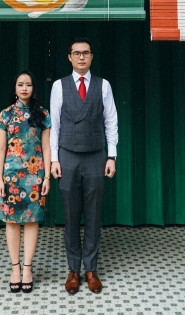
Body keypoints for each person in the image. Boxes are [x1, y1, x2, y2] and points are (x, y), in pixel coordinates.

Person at [50, 37, 118, 295]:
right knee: (70, 216)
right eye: (76, 53)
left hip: (95, 157)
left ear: (91, 57)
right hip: (67, 157)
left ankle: (91, 269)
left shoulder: (103, 86)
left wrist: (111, 156)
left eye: (85, 53)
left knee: (93, 215)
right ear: (69, 57)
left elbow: (111, 121)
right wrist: (55, 159)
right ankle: (73, 270)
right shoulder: (59, 86)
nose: (81, 57)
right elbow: (54, 125)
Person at [0, 70, 52, 294]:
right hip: (10, 177)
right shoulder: (5, 115)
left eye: (28, 84)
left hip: (34, 177)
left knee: (31, 221)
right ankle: (15, 269)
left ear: (33, 88)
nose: (24, 88)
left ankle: (27, 268)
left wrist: (46, 176)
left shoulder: (42, 114)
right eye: (20, 84)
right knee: (11, 221)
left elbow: (46, 147)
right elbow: (1, 149)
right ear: (15, 88)